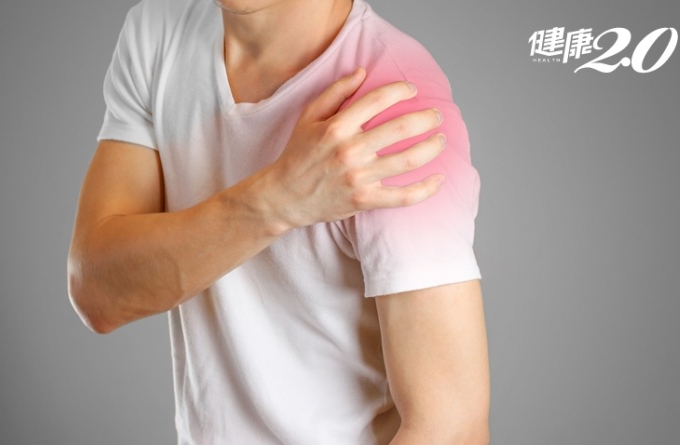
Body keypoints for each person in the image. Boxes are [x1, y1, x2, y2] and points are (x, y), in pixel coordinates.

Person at [67, 0, 490, 443]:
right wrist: (278, 200)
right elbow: (98, 292)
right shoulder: (157, 32)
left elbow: (452, 429)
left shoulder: (393, 108)